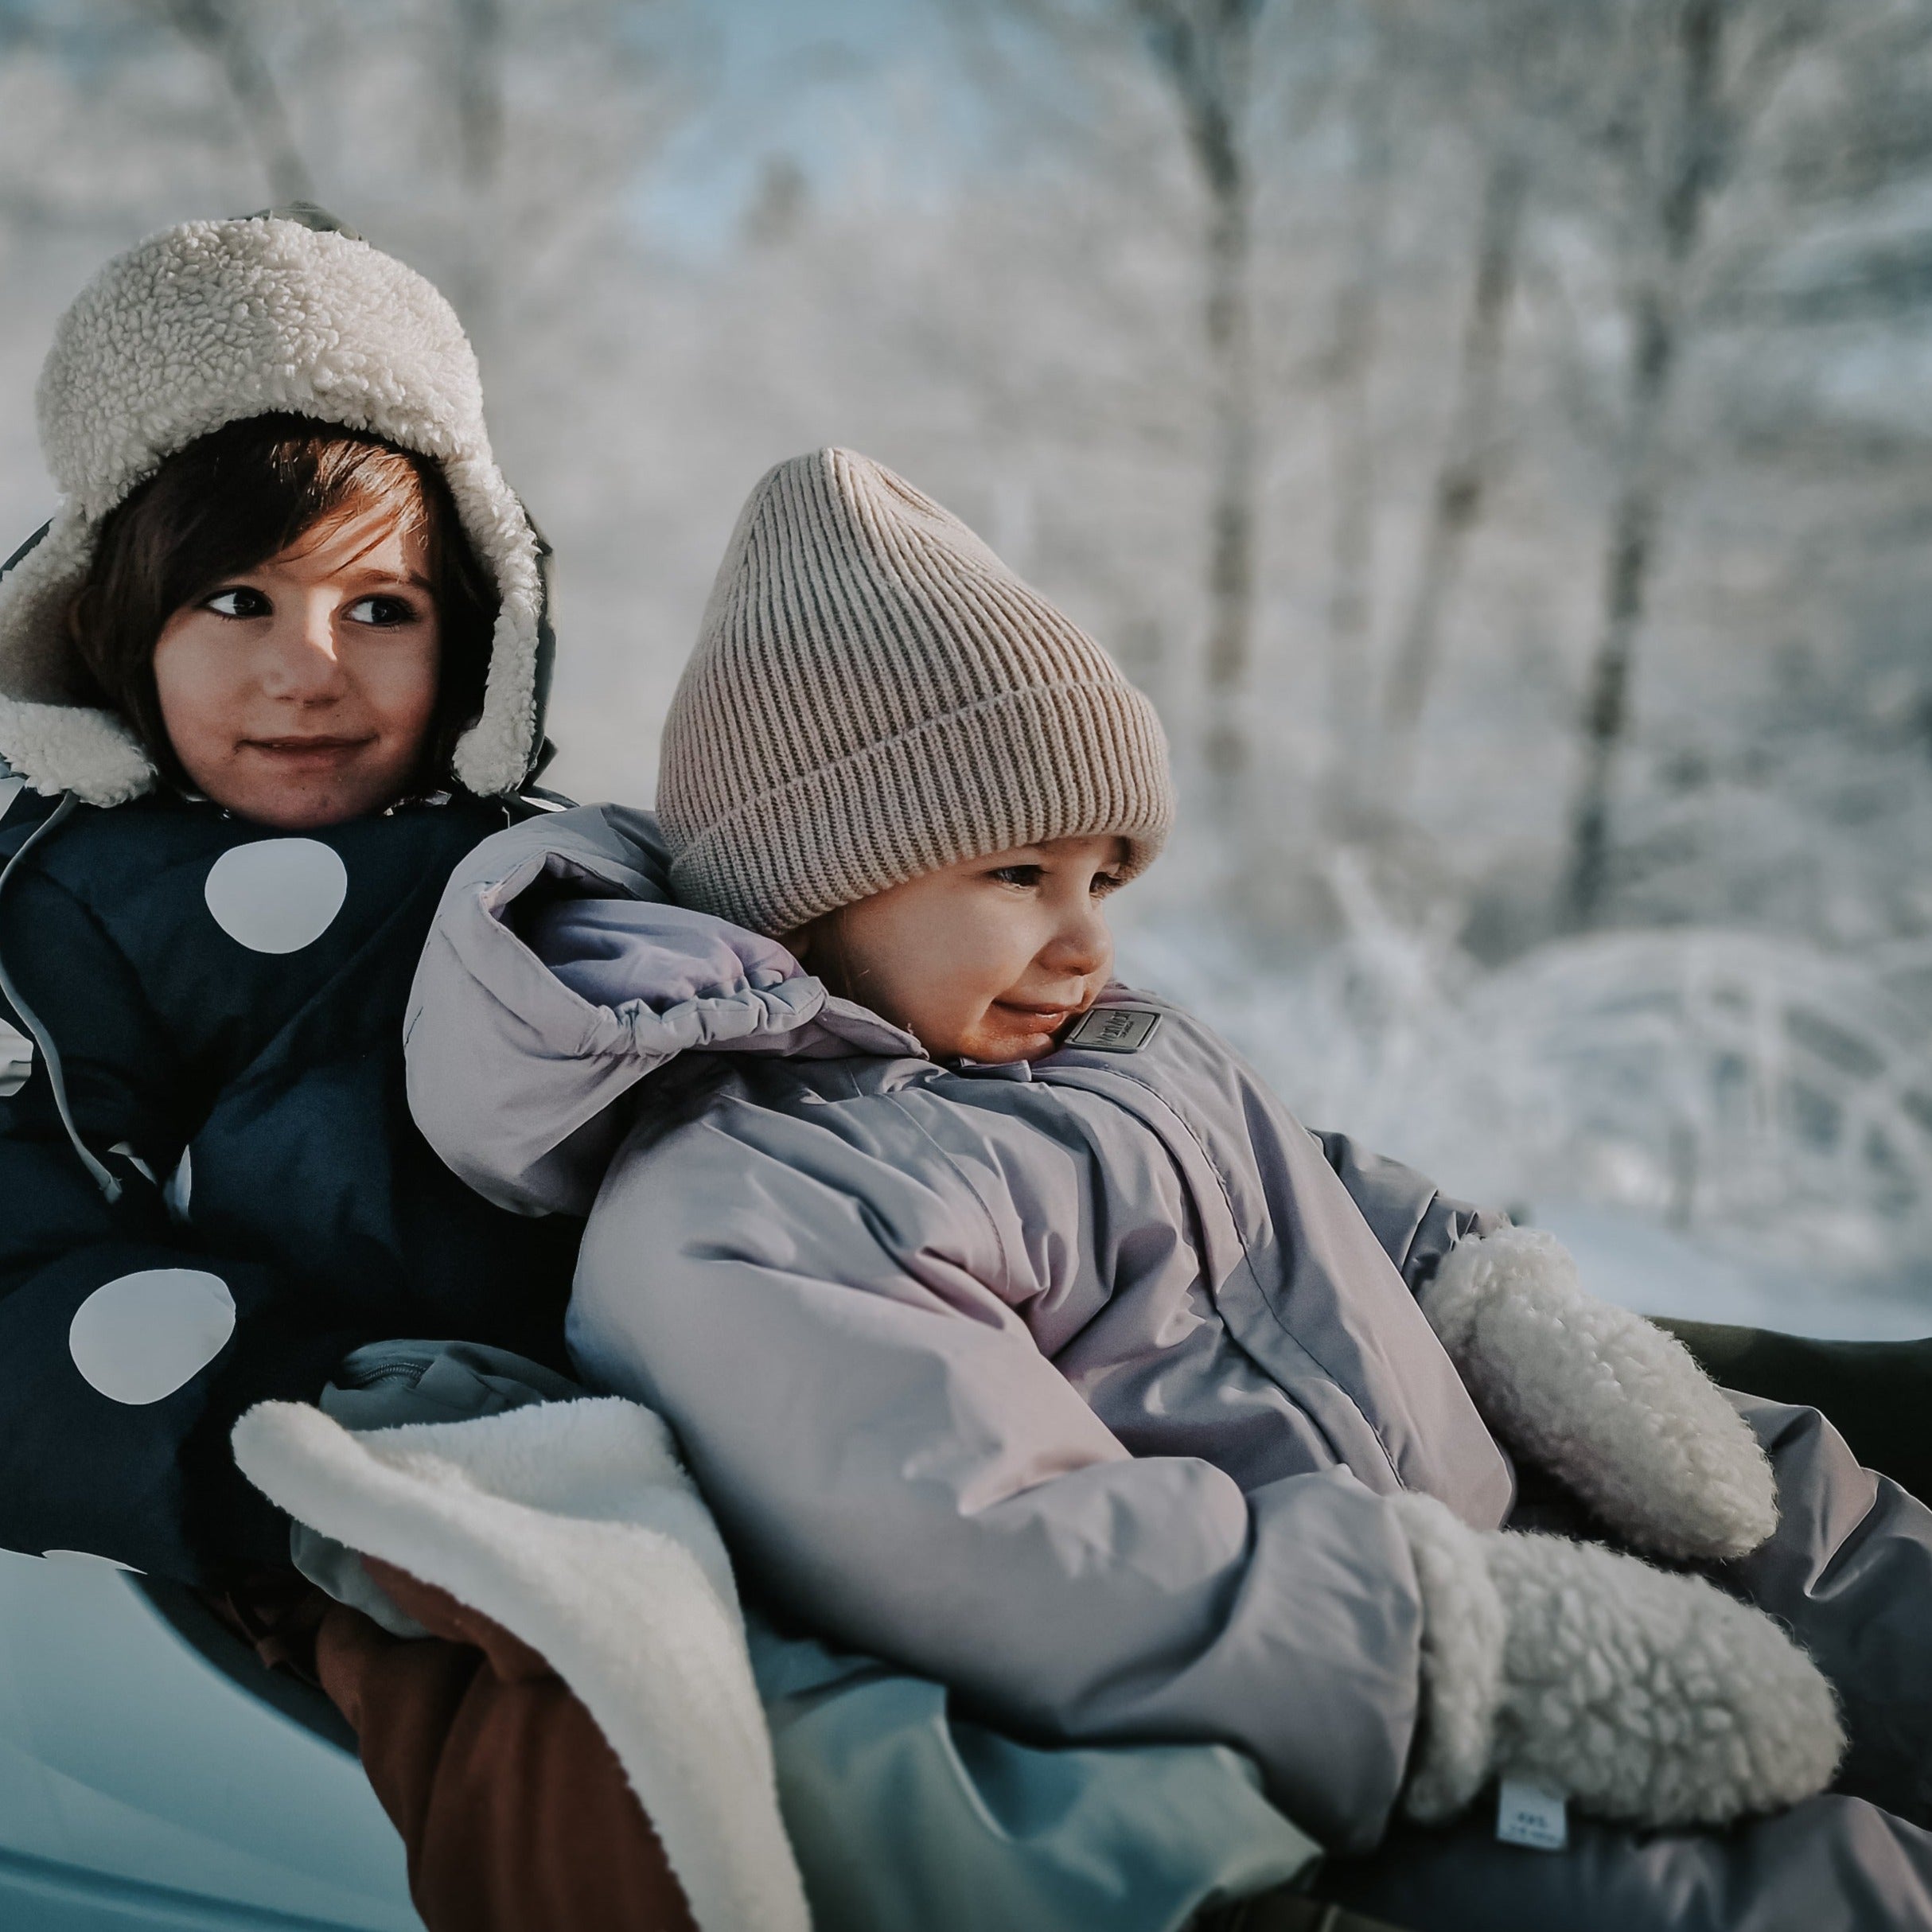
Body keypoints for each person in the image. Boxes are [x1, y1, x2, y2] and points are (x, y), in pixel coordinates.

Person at [406, 446, 1932, 1930]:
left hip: (1533, 1534)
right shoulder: (751, 1206)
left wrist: (1506, 1308)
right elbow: (1014, 1550)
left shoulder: (1108, 1050)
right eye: (1018, 876)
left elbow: (1316, 1195)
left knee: (1840, 1553)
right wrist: (1473, 1651)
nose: (1087, 944)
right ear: (815, 875)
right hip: (1367, 1711)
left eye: (1104, 879)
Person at [0, 208, 698, 1931]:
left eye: (378, 605)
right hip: (309, 1481)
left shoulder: (537, 872)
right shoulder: (59, 909)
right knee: (569, 1706)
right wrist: (272, 1433)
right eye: (236, 599)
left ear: (473, 636)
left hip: (654, 1417)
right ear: (113, 627)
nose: (307, 667)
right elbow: (18, 1252)